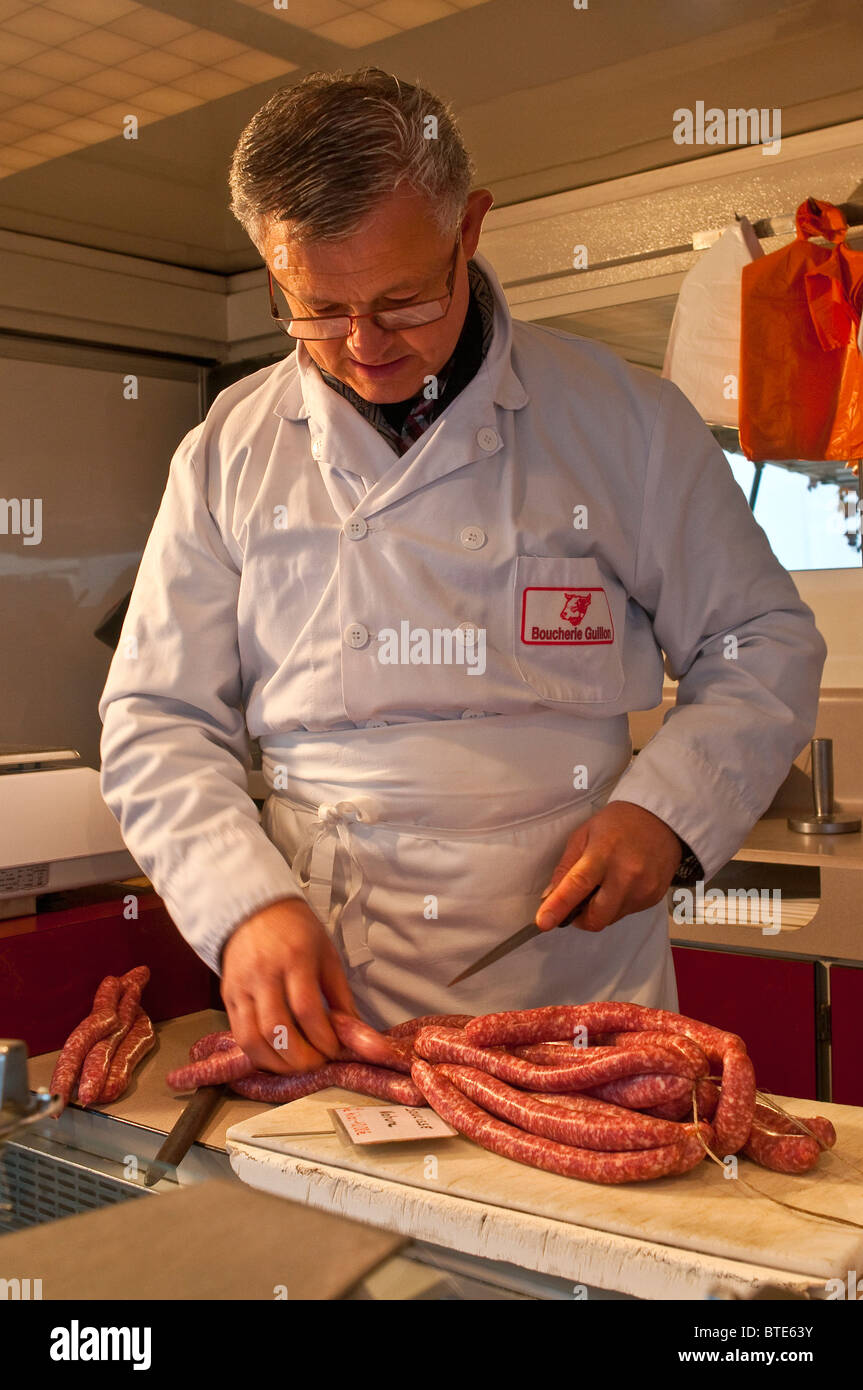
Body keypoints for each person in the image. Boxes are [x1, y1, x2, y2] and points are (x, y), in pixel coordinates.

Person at [98, 68, 826, 1076]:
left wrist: (664, 808)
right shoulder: (227, 451)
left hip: (566, 970)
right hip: (330, 979)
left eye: (401, 299)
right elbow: (156, 718)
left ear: (467, 229)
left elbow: (761, 641)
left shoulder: (623, 423)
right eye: (313, 308)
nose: (361, 347)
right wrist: (243, 904)